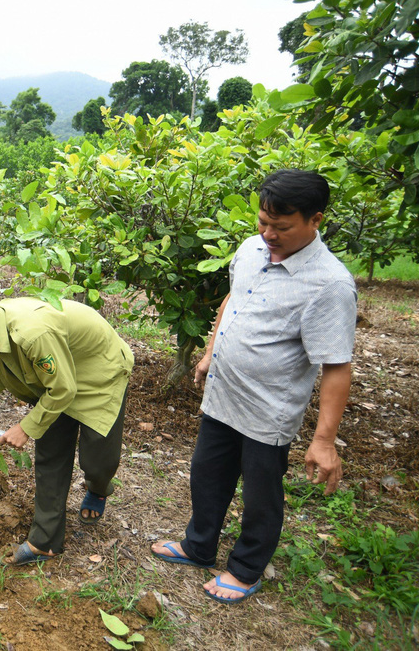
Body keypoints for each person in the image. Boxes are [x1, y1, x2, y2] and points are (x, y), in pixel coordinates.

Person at [150, 169, 357, 605]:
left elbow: (336, 366)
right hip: (224, 395)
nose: (268, 234)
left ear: (315, 219)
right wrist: (209, 354)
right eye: (263, 222)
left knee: (262, 493)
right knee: (207, 474)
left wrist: (324, 440)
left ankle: (246, 568)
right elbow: (233, 299)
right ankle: (198, 545)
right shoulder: (250, 249)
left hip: (269, 410)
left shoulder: (330, 284)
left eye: (281, 227)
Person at [0, 286, 134, 566]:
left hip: (98, 373)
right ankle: (44, 542)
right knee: (50, 457)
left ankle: (97, 488)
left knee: (98, 460)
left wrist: (25, 427)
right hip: (56, 382)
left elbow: (63, 389)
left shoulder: (31, 333)